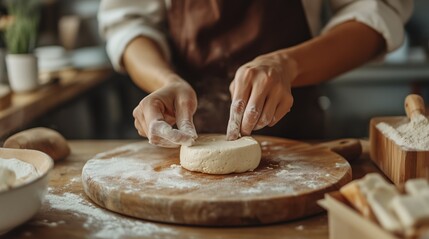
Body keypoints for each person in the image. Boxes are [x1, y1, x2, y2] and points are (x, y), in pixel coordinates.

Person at [98, 0, 413, 147]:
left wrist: (288, 64)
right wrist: (166, 81)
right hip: (182, 138)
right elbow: (128, 22)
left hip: (299, 137)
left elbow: (377, 10)